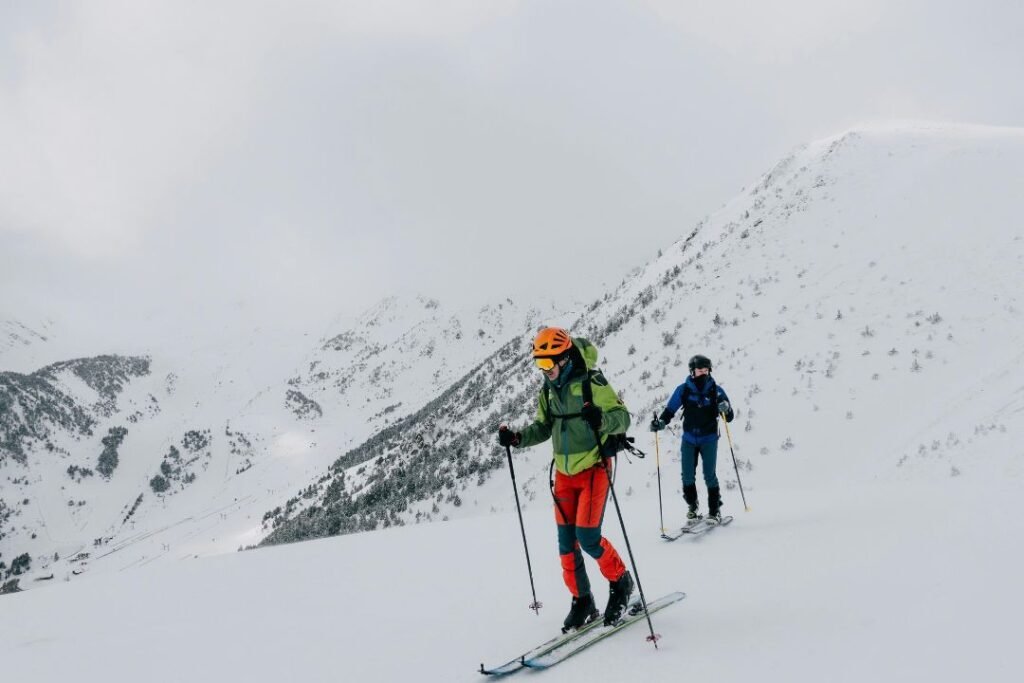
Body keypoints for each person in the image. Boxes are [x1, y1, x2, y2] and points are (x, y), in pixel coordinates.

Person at [498, 327, 635, 631]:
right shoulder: (548, 390)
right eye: (539, 363)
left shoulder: (591, 382)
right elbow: (543, 426)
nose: (543, 370)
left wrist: (602, 419)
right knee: (566, 545)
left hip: (594, 469)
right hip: (563, 475)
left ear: (564, 358)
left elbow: (622, 417)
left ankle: (621, 581)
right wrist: (517, 438)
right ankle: (582, 600)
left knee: (587, 537)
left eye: (548, 363)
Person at [649, 354, 735, 523]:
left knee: (709, 475)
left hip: (709, 439)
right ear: (692, 371)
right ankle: (692, 507)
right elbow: (670, 410)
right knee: (687, 476)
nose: (703, 373)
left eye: (706, 370)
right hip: (689, 439)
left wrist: (726, 408)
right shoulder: (684, 390)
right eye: (700, 370)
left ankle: (714, 510)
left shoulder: (716, 391)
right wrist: (661, 423)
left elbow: (729, 417)